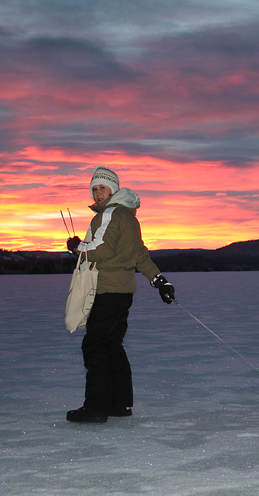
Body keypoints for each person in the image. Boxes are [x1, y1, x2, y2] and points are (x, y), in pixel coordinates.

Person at [65, 166, 175, 423]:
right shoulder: (129, 217)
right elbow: (139, 255)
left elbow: (99, 249)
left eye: (102, 187)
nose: (97, 192)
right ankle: (120, 404)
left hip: (106, 289)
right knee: (112, 346)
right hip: (123, 292)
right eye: (94, 188)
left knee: (96, 346)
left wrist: (75, 247)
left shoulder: (110, 214)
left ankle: (96, 408)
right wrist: (160, 282)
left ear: (113, 189)